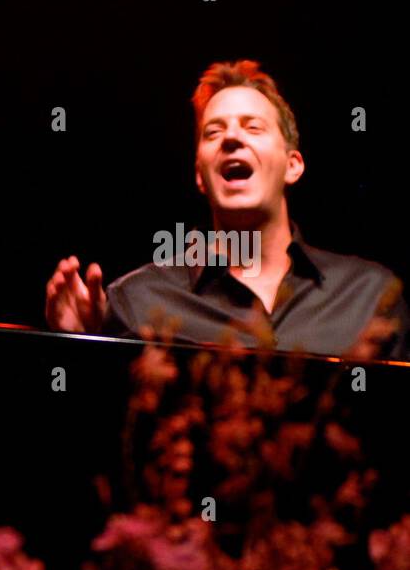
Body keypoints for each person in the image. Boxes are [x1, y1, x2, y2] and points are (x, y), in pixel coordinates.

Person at [44, 60, 410, 359]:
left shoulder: (371, 295)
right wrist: (77, 347)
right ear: (200, 176)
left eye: (253, 127)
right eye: (213, 132)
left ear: (293, 165)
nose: (232, 138)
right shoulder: (137, 302)